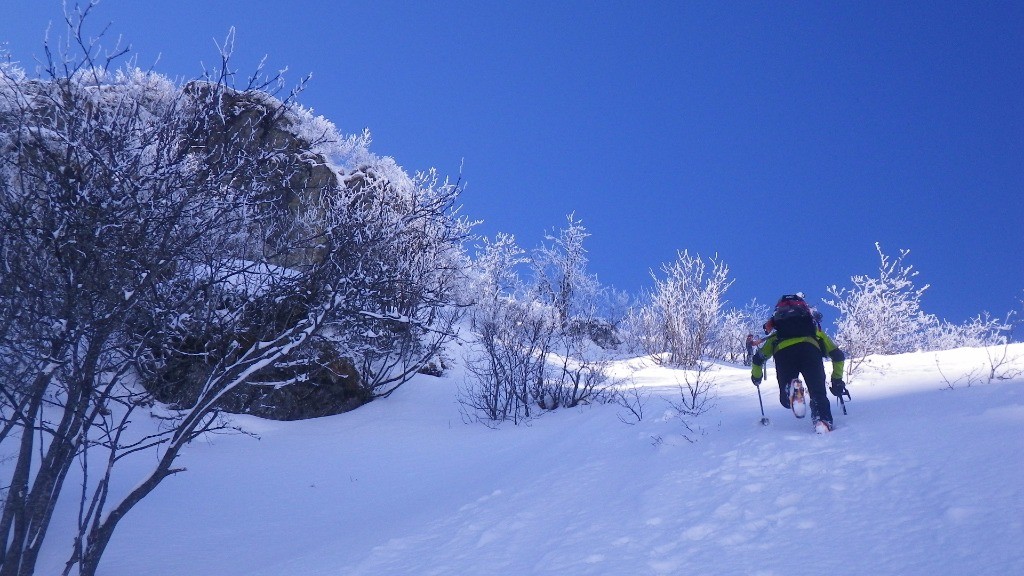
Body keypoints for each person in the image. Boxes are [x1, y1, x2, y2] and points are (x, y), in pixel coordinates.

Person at [751, 294, 847, 432]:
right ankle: (822, 421)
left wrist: (756, 377)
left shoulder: (776, 336)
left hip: (783, 353)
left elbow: (758, 359)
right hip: (810, 350)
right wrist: (837, 380)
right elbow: (837, 355)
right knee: (818, 392)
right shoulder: (814, 331)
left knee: (786, 400)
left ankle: (791, 390)